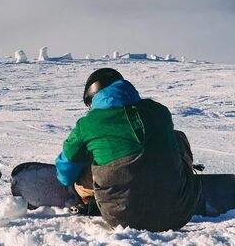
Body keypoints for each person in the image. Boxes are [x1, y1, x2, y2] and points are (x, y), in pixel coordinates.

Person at [55, 68, 201, 232]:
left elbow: (66, 172)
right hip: (179, 212)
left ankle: (90, 197)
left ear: (93, 96)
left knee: (84, 155)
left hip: (121, 218)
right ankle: (176, 179)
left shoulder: (86, 125)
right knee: (177, 137)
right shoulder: (160, 111)